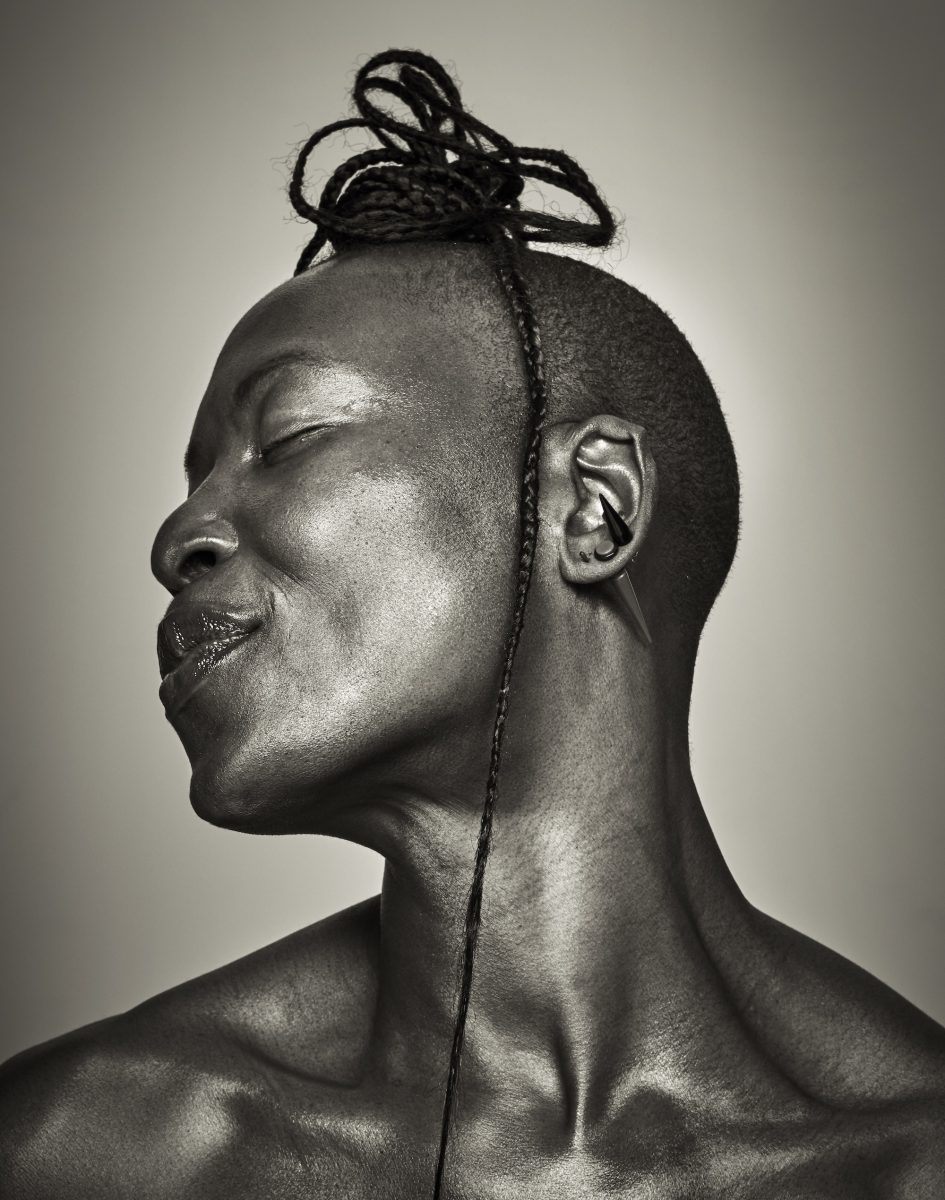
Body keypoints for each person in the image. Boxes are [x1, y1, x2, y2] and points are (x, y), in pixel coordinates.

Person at [1, 49, 943, 1200]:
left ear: (593, 507)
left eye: (286, 437)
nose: (177, 538)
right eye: (197, 477)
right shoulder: (92, 1150)